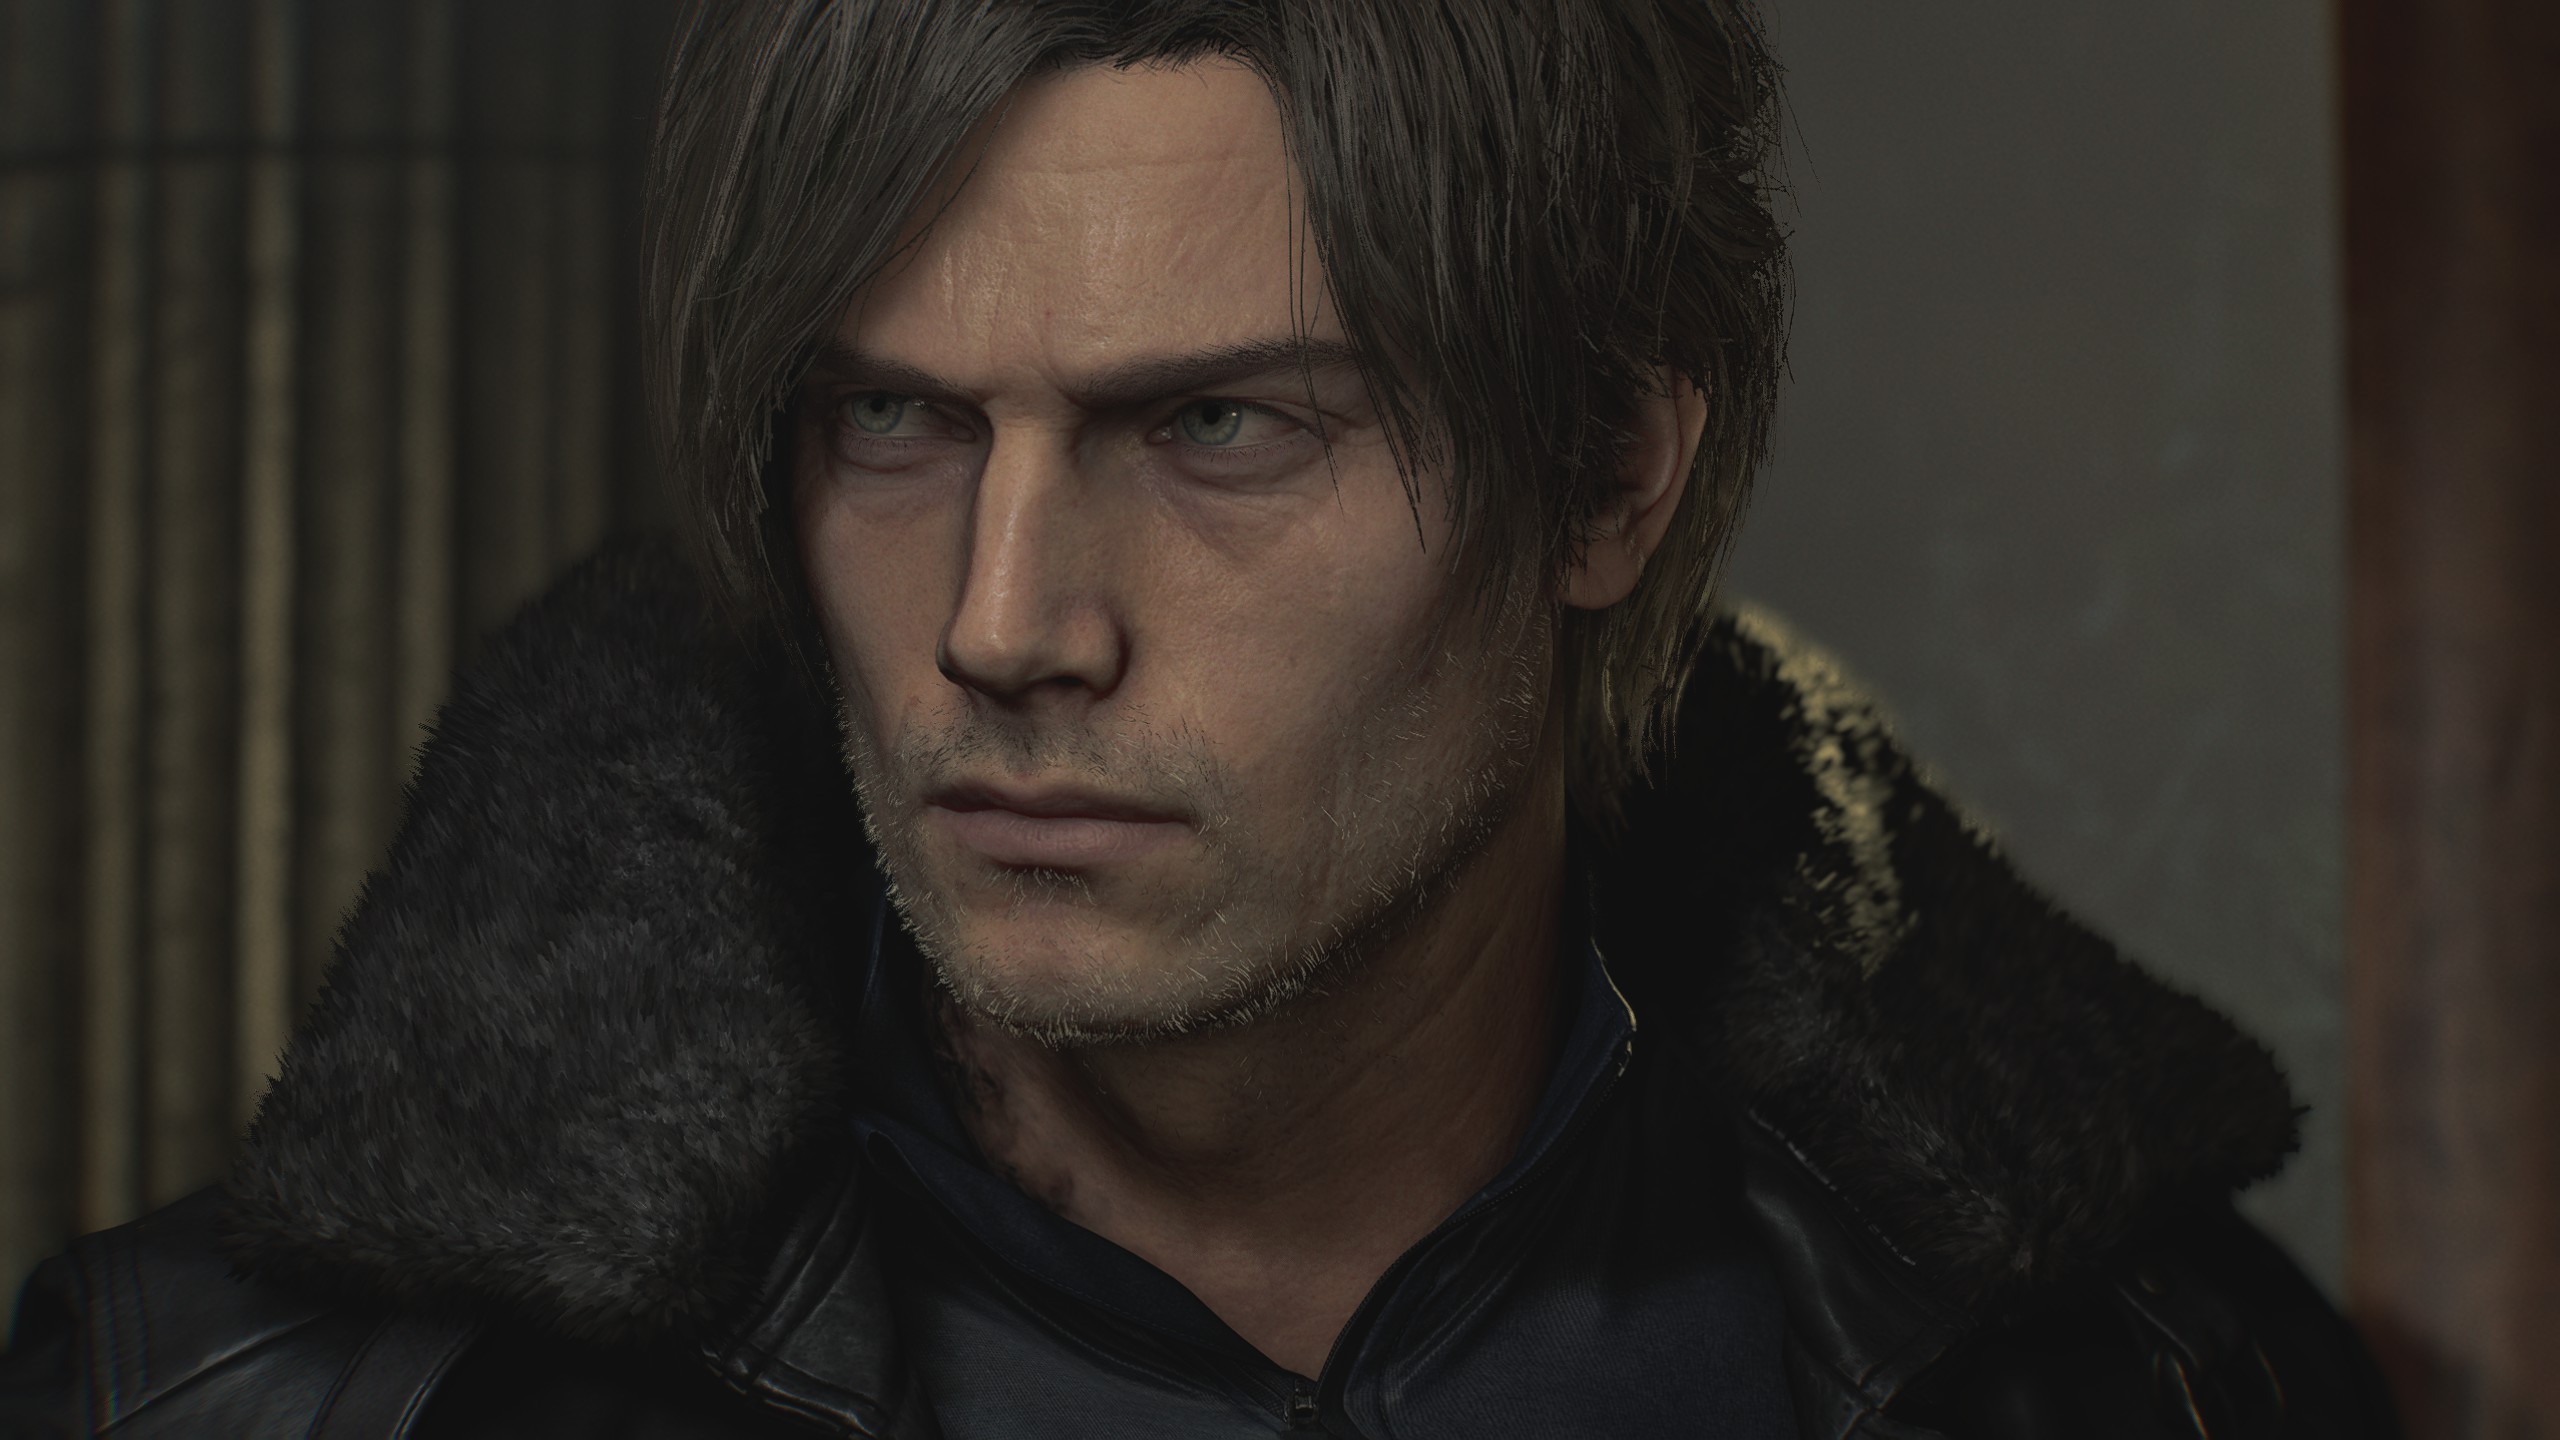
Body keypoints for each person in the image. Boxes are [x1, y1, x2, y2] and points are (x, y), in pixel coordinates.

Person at [1, 2, 2397, 1436]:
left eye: (1214, 429)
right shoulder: (230, 1399)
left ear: (1602, 479)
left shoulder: (2149, 1380)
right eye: (893, 422)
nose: (1002, 624)